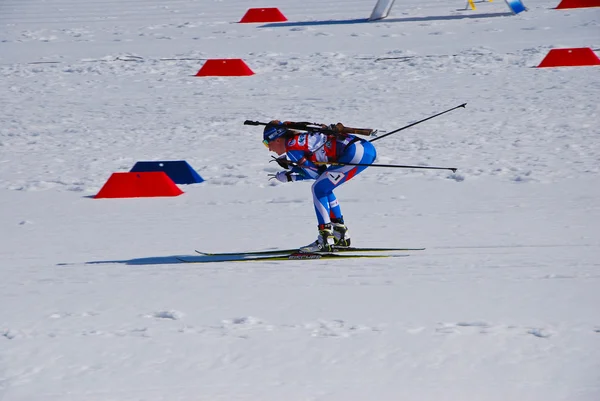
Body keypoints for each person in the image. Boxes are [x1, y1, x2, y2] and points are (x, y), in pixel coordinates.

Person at [263, 120, 377, 252]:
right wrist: (292, 175)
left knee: (318, 189)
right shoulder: (297, 141)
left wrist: (292, 175)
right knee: (324, 187)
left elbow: (314, 174)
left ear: (277, 139)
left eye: (267, 143)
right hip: (365, 149)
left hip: (355, 153)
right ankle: (340, 233)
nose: (269, 149)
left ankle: (325, 238)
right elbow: (320, 174)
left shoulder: (292, 148)